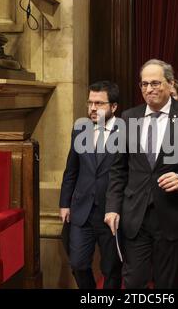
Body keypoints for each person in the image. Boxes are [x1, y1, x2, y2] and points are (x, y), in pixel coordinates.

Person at [105, 59, 178, 289]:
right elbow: (118, 169)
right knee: (134, 282)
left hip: (172, 217)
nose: (148, 89)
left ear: (170, 84)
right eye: (144, 84)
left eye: (155, 83)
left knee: (168, 283)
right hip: (135, 216)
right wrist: (112, 207)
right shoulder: (128, 117)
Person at [59, 81, 122, 289]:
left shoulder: (126, 133)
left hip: (110, 212)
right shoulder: (80, 130)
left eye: (99, 103)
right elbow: (71, 170)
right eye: (90, 103)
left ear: (113, 107)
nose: (93, 108)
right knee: (77, 263)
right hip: (81, 209)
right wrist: (64, 203)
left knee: (111, 268)